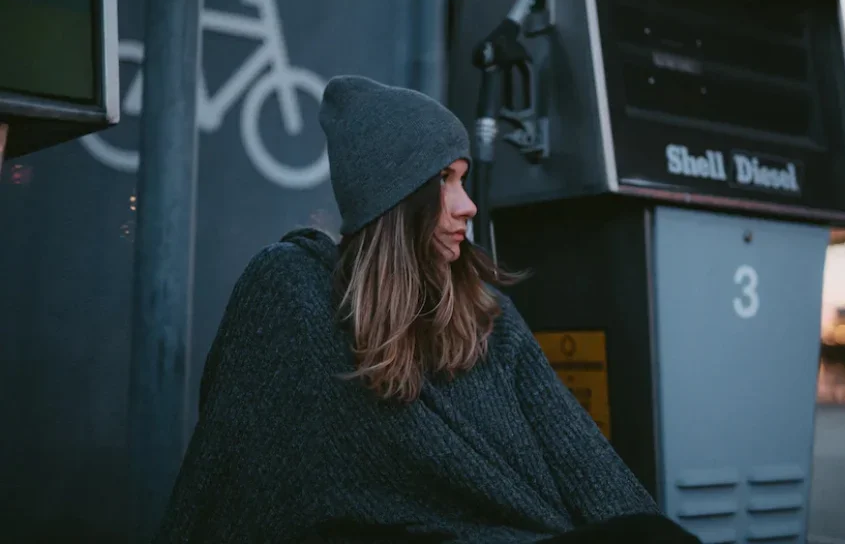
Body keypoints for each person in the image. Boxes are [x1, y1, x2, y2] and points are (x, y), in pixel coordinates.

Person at [152, 76, 700, 543]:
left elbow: (589, 469)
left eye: (463, 178)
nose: (468, 205)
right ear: (394, 197)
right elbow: (228, 491)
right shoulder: (295, 296)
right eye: (446, 180)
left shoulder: (487, 316)